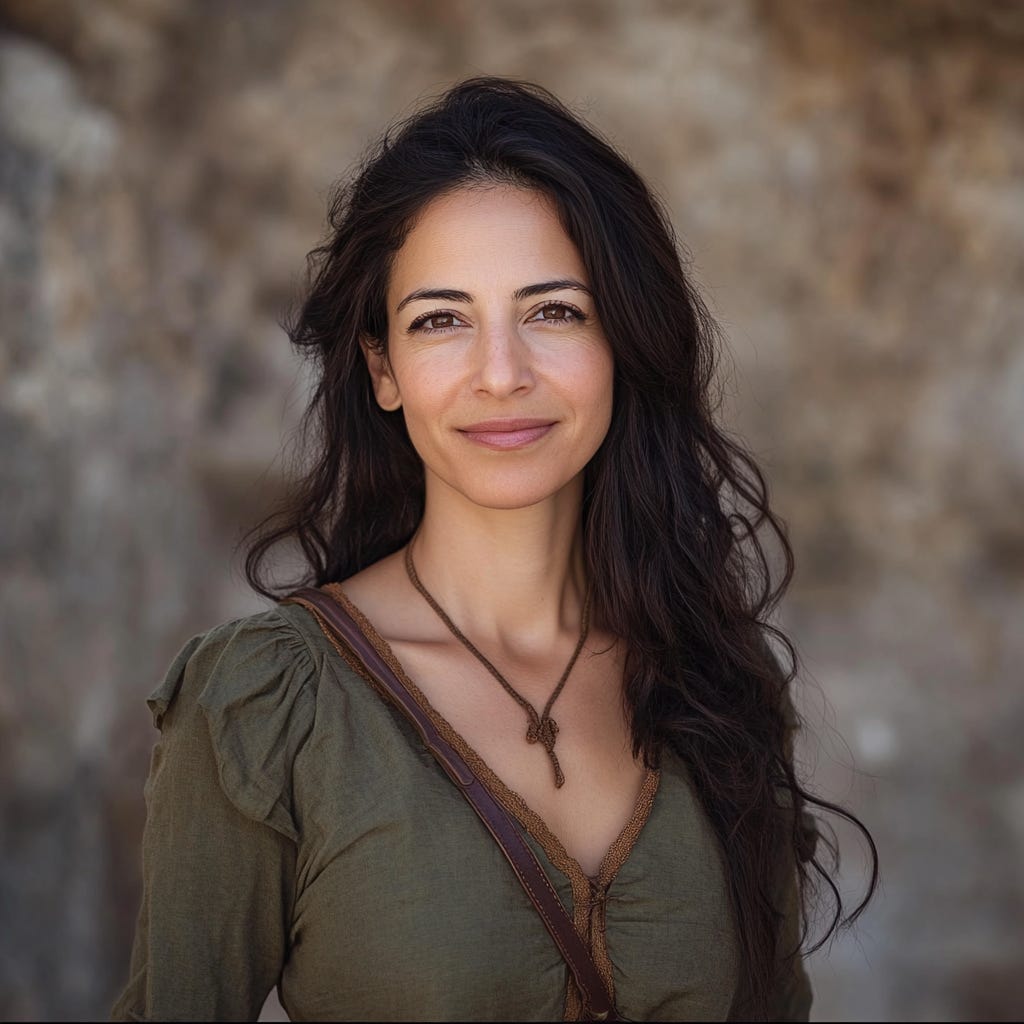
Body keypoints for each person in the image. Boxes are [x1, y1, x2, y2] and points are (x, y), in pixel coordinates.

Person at [111, 76, 877, 1022]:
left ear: (621, 343)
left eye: (553, 311)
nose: (502, 374)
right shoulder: (269, 706)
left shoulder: (713, 678)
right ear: (383, 368)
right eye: (441, 320)